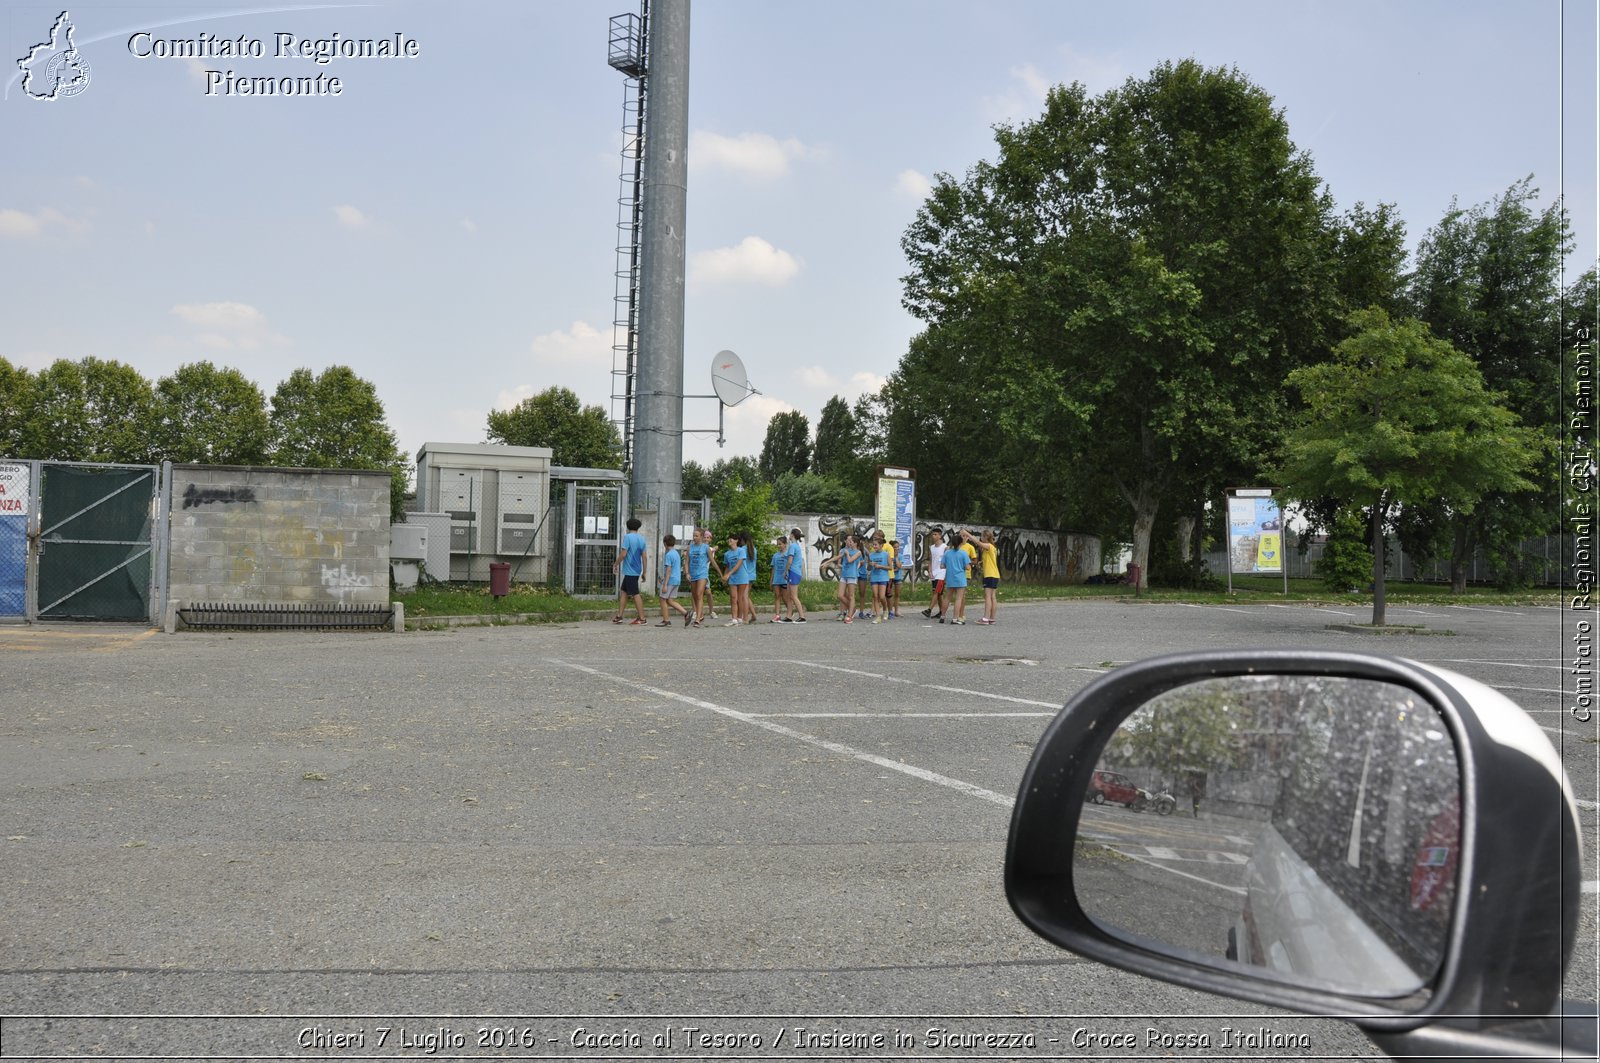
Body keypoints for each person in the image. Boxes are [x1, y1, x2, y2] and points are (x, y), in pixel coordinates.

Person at [613, 517, 649, 625]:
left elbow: (623, 554)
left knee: (635, 593)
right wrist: (644, 572)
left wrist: (615, 564)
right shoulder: (642, 539)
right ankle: (619, 616)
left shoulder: (627, 537)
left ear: (628, 527)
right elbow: (644, 557)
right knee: (624, 591)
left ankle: (642, 618)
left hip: (630, 570)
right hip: (637, 569)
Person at [657, 534, 690, 625]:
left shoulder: (668, 555)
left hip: (670, 580)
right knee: (670, 600)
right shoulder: (676, 553)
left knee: (662, 599)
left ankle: (666, 620)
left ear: (665, 543)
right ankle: (686, 613)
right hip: (677, 579)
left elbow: (668, 570)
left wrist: (664, 584)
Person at [943, 532, 970, 625]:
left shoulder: (947, 553)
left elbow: (942, 566)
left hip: (950, 577)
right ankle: (955, 618)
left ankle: (942, 616)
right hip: (960, 578)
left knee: (947, 597)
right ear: (960, 543)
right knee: (958, 598)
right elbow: (967, 567)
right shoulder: (963, 553)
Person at [686, 528, 711, 626]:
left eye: (696, 536)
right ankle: (700, 614)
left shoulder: (706, 547)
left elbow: (711, 559)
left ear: (701, 536)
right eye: (693, 536)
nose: (694, 537)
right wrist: (687, 573)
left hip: (702, 574)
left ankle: (697, 619)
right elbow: (687, 561)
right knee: (695, 596)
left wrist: (721, 574)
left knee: (699, 594)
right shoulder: (690, 547)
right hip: (693, 573)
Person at [976, 528, 1000, 625]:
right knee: (992, 597)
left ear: (985, 537)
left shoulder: (988, 546)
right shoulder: (993, 547)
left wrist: (968, 535)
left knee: (988, 596)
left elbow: (979, 543)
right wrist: (982, 562)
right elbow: (991, 560)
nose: (981, 538)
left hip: (990, 575)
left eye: (982, 536)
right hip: (995, 574)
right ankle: (992, 618)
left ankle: (985, 618)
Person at [722, 533, 747, 626]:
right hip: (732, 578)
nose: (729, 540)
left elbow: (739, 564)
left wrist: (729, 574)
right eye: (728, 539)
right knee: (733, 598)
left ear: (736, 540)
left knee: (739, 598)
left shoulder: (741, 551)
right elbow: (727, 566)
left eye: (731, 539)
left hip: (742, 576)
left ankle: (740, 618)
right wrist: (725, 576)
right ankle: (734, 619)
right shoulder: (727, 554)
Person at [923, 528, 947, 622]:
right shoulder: (932, 547)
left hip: (942, 572)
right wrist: (930, 571)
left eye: (935, 534)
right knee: (939, 594)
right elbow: (930, 560)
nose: (933, 536)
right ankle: (941, 612)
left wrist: (946, 574)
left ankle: (929, 610)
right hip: (934, 572)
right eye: (933, 534)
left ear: (940, 536)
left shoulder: (945, 547)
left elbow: (947, 561)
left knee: (936, 592)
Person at [784, 528, 808, 623]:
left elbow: (790, 561)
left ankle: (802, 617)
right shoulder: (796, 545)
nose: (789, 536)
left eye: (790, 534)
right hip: (794, 572)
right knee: (790, 596)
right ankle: (789, 616)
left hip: (793, 572)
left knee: (794, 596)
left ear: (792, 535)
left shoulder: (793, 546)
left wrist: (785, 571)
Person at [867, 533, 892, 623]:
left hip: (883, 577)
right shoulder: (871, 555)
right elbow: (868, 568)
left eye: (876, 545)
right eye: (873, 545)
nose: (874, 546)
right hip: (874, 577)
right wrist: (870, 565)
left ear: (881, 545)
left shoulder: (886, 554)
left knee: (882, 596)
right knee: (875, 596)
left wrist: (880, 566)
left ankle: (885, 610)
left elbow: (890, 567)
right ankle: (878, 617)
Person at [837, 534, 862, 622]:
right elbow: (838, 558)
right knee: (840, 595)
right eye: (849, 541)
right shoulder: (845, 550)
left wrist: (847, 554)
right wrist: (826, 563)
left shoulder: (858, 552)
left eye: (851, 542)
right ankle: (853, 608)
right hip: (844, 575)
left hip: (852, 575)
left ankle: (849, 615)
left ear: (855, 543)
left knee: (851, 596)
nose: (849, 543)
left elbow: (850, 560)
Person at [769, 532, 790, 622]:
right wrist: (771, 579)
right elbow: (773, 568)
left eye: (780, 544)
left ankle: (789, 612)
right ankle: (777, 615)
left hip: (785, 579)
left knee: (785, 597)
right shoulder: (775, 555)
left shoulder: (788, 555)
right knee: (777, 596)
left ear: (785, 544)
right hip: (777, 579)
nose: (779, 546)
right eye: (778, 544)